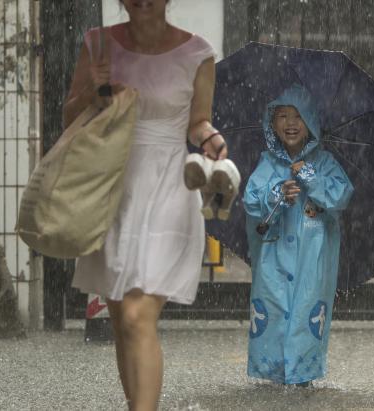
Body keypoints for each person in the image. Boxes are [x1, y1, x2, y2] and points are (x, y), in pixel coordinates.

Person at [63, 1, 227, 409]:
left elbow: (197, 121)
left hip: (171, 183)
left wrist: (210, 138)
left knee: (138, 316)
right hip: (113, 185)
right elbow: (70, 117)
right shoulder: (98, 44)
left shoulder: (198, 53)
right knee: (122, 320)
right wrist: (93, 90)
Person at [243, 84, 354, 387]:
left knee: (306, 308)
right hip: (273, 260)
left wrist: (310, 178)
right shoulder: (267, 163)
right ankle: (275, 372)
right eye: (282, 116)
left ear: (311, 123)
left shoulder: (325, 163)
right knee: (274, 309)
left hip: (312, 257)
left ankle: (301, 374)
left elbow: (340, 196)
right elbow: (251, 202)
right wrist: (277, 195)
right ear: (272, 123)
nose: (291, 123)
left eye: (299, 116)